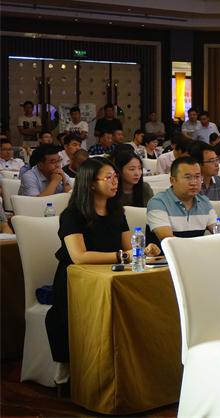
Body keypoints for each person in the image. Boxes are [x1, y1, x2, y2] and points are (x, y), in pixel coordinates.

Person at [45, 158, 159, 371]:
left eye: (116, 177)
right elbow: (79, 256)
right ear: (91, 183)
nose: (115, 182)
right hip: (77, 282)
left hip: (113, 276)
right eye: (108, 177)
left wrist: (145, 251)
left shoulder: (117, 212)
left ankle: (133, 364)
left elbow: (130, 248)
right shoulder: (72, 215)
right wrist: (122, 256)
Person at [146, 156, 218, 246]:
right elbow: (168, 240)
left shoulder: (204, 202)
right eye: (188, 177)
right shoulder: (158, 203)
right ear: (172, 180)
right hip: (166, 255)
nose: (194, 182)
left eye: (197, 176)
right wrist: (201, 245)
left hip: (197, 253)